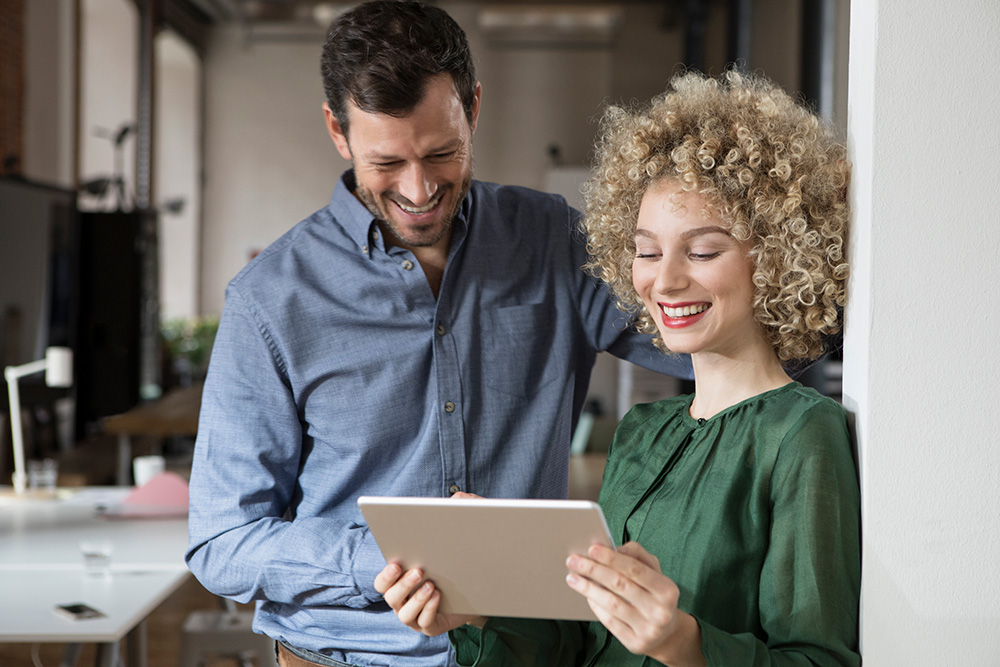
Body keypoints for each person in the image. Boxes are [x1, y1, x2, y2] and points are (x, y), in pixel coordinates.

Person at [185, 2, 691, 667]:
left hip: (518, 650)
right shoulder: (268, 301)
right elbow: (223, 539)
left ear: (473, 108)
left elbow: (701, 342)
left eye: (441, 153)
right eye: (387, 163)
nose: (419, 189)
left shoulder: (551, 240)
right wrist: (387, 558)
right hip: (341, 654)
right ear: (337, 130)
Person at [375, 70, 861, 666]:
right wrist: (478, 610)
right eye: (647, 251)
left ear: (780, 255)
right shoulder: (642, 430)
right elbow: (581, 645)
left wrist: (681, 642)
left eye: (703, 250)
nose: (666, 279)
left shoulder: (801, 436)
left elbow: (820, 661)